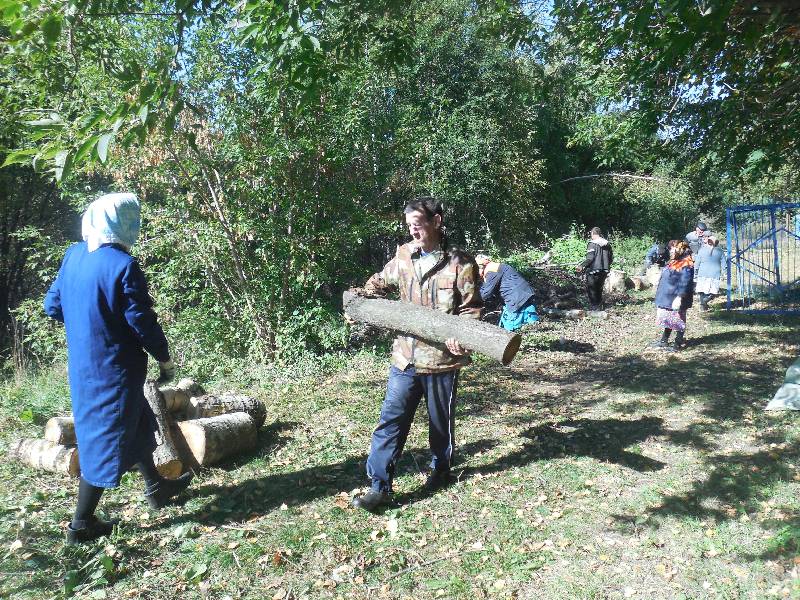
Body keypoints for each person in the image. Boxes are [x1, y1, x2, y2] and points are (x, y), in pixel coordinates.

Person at [44, 193, 192, 545]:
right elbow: (141, 321)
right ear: (124, 223)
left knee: (139, 419)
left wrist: (88, 324)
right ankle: (80, 526)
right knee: (104, 439)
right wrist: (164, 358)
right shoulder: (122, 266)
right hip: (114, 371)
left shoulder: (74, 255)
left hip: (84, 366)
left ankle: (156, 488)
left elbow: (53, 306)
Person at [350, 196, 482, 512]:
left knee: (440, 423)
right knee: (390, 422)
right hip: (405, 357)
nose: (413, 232)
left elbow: (472, 308)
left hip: (441, 361)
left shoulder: (460, 264)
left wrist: (462, 336)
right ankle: (379, 486)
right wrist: (359, 301)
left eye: (418, 225)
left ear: (436, 222)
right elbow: (378, 284)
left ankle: (441, 471)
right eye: (409, 226)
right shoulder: (403, 259)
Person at [474, 254, 539, 331]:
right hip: (524, 294)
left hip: (515, 298)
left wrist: (471, 301)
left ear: (480, 266)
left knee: (510, 330)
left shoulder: (492, 269)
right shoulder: (497, 267)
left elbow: (486, 292)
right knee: (531, 325)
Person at [651, 240, 695, 351]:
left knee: (678, 321)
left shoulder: (686, 263)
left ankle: (677, 344)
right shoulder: (675, 261)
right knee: (669, 319)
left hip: (676, 297)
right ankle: (664, 341)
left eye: (672, 249)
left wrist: (679, 297)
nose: (670, 251)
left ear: (679, 249)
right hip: (668, 296)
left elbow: (685, 282)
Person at [577, 227, 613, 311]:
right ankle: (600, 305)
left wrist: (581, 265)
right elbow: (611, 258)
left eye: (591, 234)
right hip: (604, 270)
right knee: (599, 288)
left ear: (593, 234)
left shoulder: (592, 244)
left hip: (593, 270)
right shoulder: (607, 244)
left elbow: (590, 258)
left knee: (592, 289)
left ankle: (594, 307)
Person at [694, 235, 725, 311]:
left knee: (701, 291)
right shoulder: (720, 251)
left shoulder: (701, 250)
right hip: (714, 274)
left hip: (702, 273)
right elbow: (724, 263)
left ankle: (703, 304)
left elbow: (697, 263)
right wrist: (724, 273)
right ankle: (704, 303)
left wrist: (695, 271)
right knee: (713, 292)